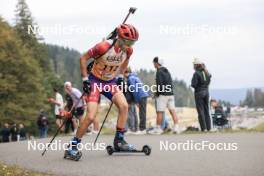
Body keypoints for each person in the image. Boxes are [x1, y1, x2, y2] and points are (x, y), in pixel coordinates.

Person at [65, 24, 139, 159]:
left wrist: (121, 77)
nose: (129, 45)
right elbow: (83, 58)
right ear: (119, 38)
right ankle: (72, 147)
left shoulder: (128, 51)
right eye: (127, 41)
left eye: (132, 42)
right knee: (91, 117)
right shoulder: (103, 46)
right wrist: (85, 79)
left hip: (110, 82)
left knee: (124, 106)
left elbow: (124, 64)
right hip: (95, 82)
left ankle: (119, 141)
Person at [149, 57, 180, 134]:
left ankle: (158, 128)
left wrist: (157, 94)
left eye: (154, 63)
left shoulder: (158, 72)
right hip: (170, 94)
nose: (153, 64)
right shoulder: (167, 71)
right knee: (172, 111)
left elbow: (160, 84)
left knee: (160, 112)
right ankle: (176, 127)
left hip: (163, 95)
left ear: (157, 63)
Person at [125, 67, 149, 134]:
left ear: (125, 72)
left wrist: (136, 101)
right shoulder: (135, 76)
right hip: (143, 95)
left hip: (140, 96)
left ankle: (142, 129)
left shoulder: (130, 79)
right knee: (142, 113)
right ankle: (142, 128)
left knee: (142, 113)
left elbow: (134, 90)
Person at [191, 58, 212, 132]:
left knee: (200, 111)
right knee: (206, 110)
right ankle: (209, 128)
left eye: (194, 64)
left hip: (199, 93)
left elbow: (193, 84)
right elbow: (209, 79)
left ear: (196, 65)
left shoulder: (196, 73)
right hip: (206, 92)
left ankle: (204, 128)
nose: (193, 66)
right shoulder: (207, 72)